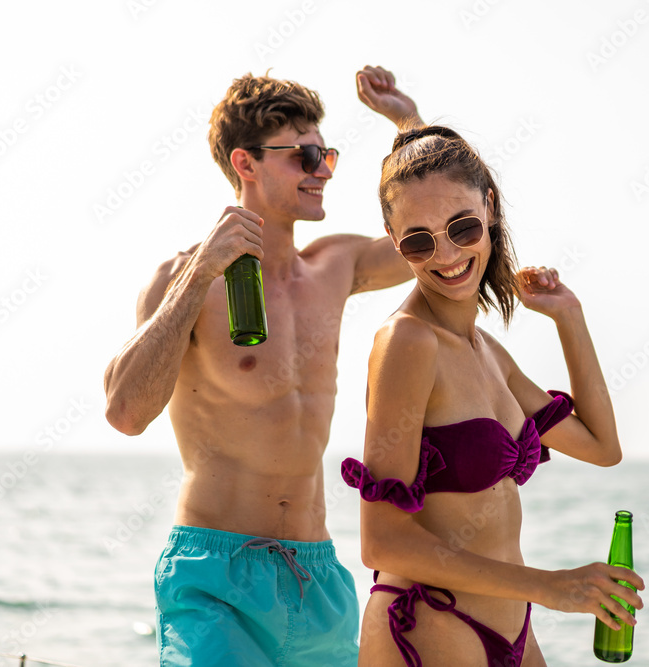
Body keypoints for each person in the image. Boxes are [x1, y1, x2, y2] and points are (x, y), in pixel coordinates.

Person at [103, 66, 422, 666]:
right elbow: (124, 412)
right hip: (215, 576)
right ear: (244, 163)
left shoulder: (338, 265)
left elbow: (435, 234)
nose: (323, 170)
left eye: (325, 154)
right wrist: (201, 273)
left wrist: (407, 123)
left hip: (319, 576)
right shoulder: (181, 279)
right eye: (303, 156)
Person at [340, 126, 645, 666]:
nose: (446, 254)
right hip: (428, 627)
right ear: (393, 240)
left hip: (515, 631)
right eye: (418, 239)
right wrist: (549, 587)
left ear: (490, 207)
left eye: (462, 227)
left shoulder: (491, 357)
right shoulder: (406, 342)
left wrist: (568, 317)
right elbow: (382, 543)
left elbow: (602, 447)